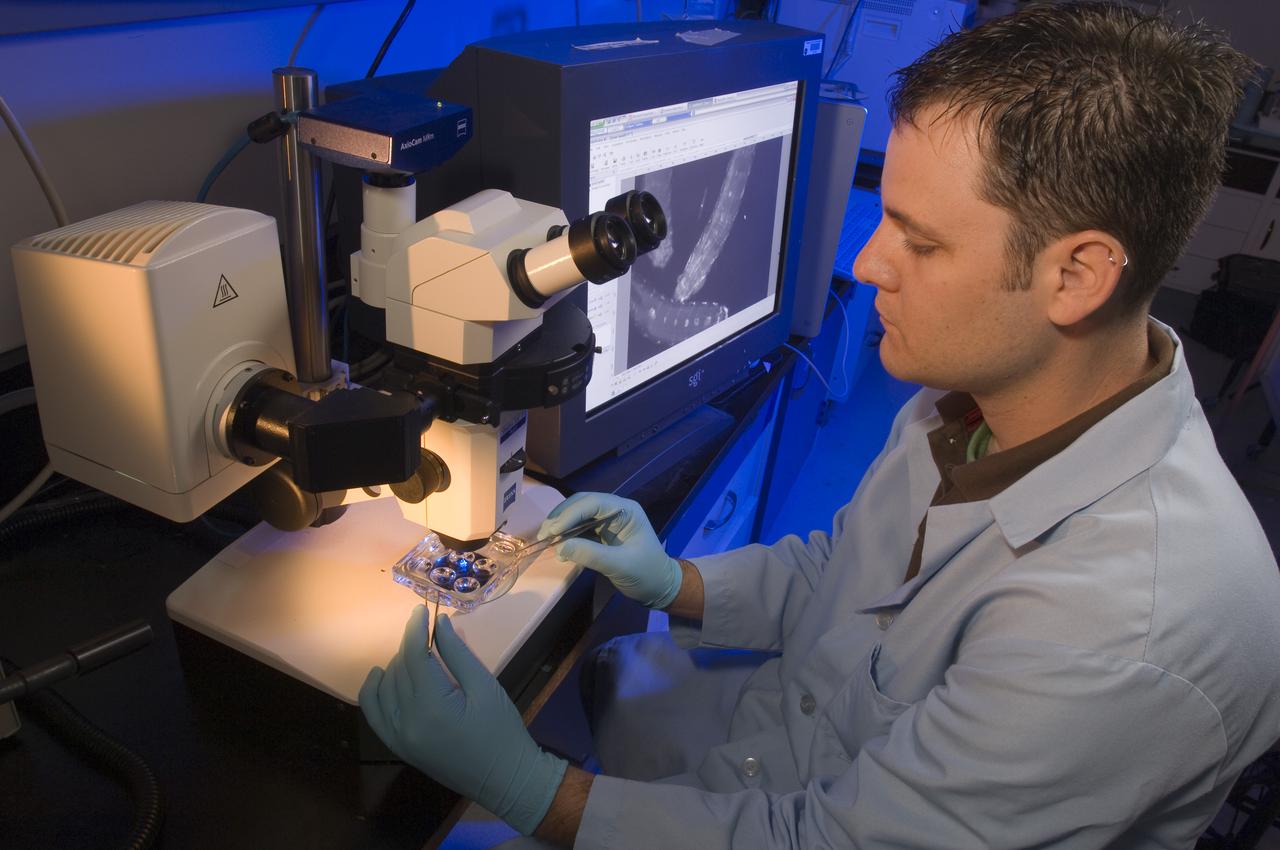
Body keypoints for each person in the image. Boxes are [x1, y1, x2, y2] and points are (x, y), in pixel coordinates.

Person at [358, 2, 1280, 847]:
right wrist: (676, 580)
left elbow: (827, 842)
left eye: (921, 241)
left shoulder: (1119, 633)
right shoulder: (980, 401)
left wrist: (529, 790)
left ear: (1075, 276)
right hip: (781, 740)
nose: (868, 262)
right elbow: (849, 578)